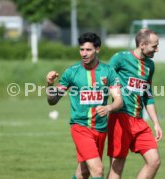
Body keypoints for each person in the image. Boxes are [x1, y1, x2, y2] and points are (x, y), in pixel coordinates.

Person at [46, 32, 123, 179]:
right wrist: (50, 85)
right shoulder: (72, 73)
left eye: (88, 50)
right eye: (82, 49)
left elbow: (119, 100)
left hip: (100, 129)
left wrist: (109, 108)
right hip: (80, 127)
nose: (84, 53)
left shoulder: (108, 71)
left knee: (83, 172)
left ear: (97, 49)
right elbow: (52, 100)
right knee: (98, 170)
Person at [107, 29, 163, 179]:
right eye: (154, 46)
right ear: (143, 45)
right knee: (117, 165)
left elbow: (148, 95)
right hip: (120, 118)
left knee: (154, 161)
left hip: (138, 121)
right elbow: (104, 79)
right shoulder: (120, 58)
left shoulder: (150, 65)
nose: (157, 49)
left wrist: (156, 123)